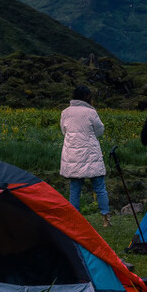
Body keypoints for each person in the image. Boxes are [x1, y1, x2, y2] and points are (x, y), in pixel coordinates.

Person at [60, 84, 111, 227]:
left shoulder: (65, 112)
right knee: (100, 187)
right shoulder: (91, 112)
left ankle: (75, 219)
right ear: (87, 97)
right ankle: (106, 218)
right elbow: (100, 131)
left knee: (75, 189)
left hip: (73, 156)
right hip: (91, 155)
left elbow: (64, 131)